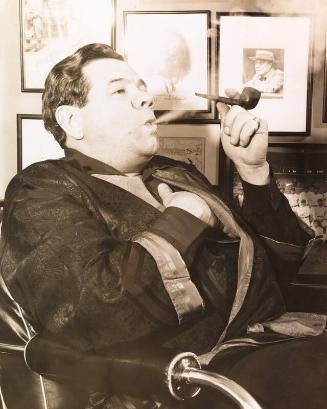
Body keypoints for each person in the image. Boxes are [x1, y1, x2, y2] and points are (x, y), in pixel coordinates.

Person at [0, 43, 326, 409]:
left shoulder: (176, 174)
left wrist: (253, 174)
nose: (144, 100)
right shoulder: (41, 188)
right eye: (120, 90)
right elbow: (90, 309)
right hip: (185, 384)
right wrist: (184, 220)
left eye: (141, 89)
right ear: (72, 121)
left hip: (262, 348)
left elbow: (271, 275)